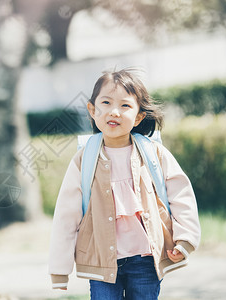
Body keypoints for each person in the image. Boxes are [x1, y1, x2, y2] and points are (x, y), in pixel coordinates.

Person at [48, 68, 201, 299]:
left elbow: (181, 196)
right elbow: (66, 215)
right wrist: (60, 270)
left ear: (139, 116)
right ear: (92, 110)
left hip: (146, 259)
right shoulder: (84, 159)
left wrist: (186, 239)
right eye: (106, 103)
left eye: (125, 106)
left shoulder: (153, 153)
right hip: (101, 261)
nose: (114, 112)